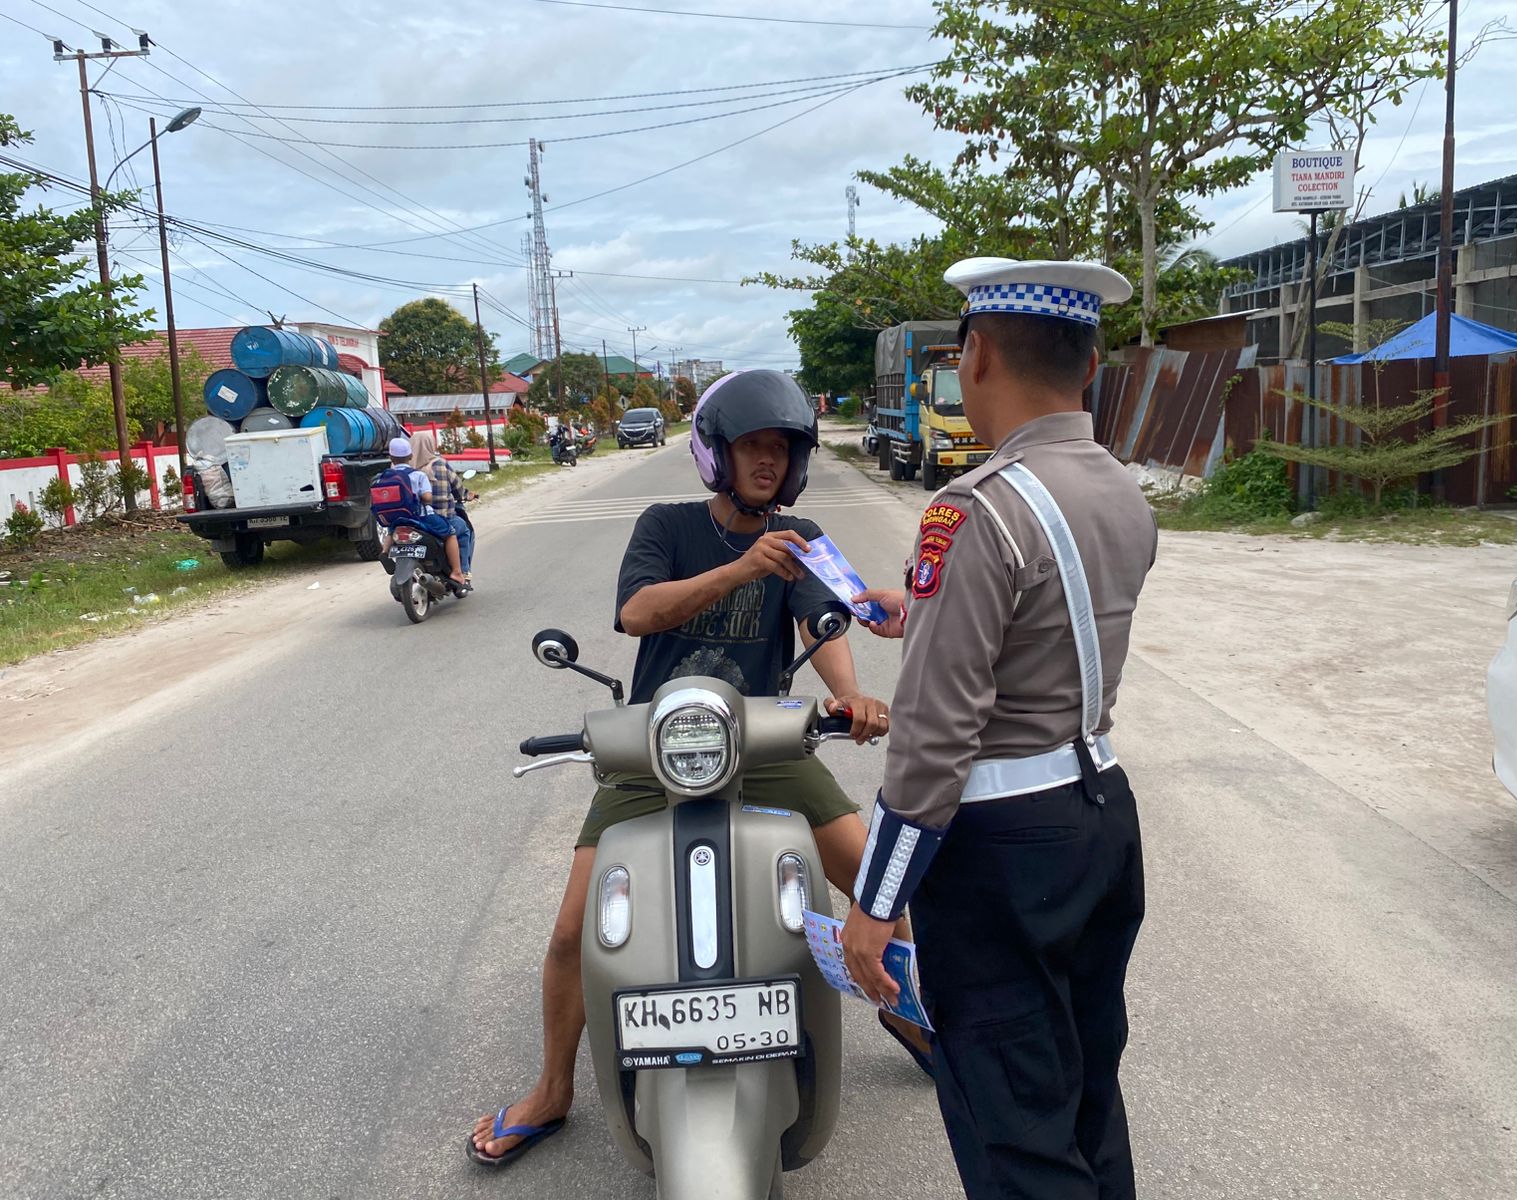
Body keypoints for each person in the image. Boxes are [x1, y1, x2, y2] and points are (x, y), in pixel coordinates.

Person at [468, 369, 925, 1169]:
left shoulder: (802, 537)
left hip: (765, 741)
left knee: (877, 883)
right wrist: (743, 568)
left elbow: (826, 623)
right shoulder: (667, 524)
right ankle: (552, 1089)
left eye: (781, 449)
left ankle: (904, 1010)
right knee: (573, 931)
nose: (768, 461)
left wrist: (851, 696)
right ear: (718, 455)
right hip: (657, 745)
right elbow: (638, 611)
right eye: (752, 446)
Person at [841, 258, 1160, 1200]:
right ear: (1090, 364)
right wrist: (925, 611)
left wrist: (876, 902)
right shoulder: (1122, 490)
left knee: (1014, 1131)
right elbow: (1052, 626)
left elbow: (934, 738)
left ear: (976, 356)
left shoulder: (976, 508)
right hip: (1099, 813)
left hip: (1002, 850)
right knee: (1085, 1093)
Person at [373, 436, 466, 588]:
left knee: (392, 530)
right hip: (421, 517)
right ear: (410, 456)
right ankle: (456, 572)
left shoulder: (384, 477)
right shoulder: (418, 475)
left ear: (391, 457)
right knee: (450, 533)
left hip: (397, 520)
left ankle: (384, 552)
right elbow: (428, 498)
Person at [409, 430, 478, 584]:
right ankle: (462, 572)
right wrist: (467, 495)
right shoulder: (440, 464)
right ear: (431, 445)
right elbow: (458, 489)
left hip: (414, 521)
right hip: (442, 518)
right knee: (464, 530)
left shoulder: (407, 469)